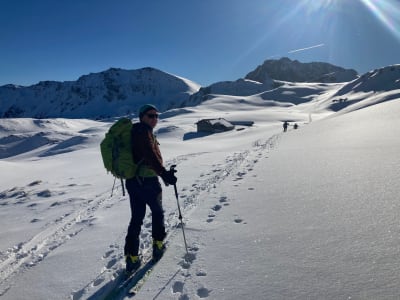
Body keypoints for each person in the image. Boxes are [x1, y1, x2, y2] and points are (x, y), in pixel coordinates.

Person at [124, 104, 177, 273]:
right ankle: (158, 244)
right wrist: (164, 174)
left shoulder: (133, 131)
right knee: (158, 212)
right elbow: (149, 154)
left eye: (156, 116)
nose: (154, 119)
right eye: (150, 115)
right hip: (147, 181)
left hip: (133, 182)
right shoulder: (143, 131)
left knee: (136, 218)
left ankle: (132, 257)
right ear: (142, 117)